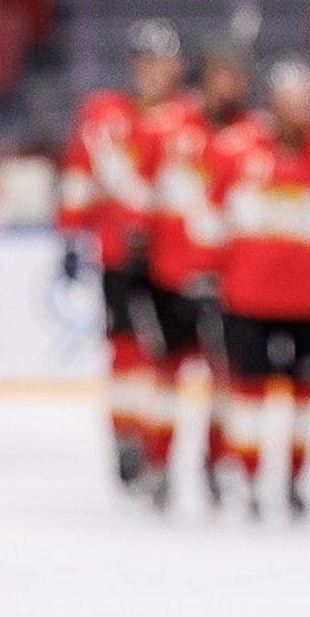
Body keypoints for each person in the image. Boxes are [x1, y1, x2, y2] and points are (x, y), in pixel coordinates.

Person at [202, 60, 310, 520]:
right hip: (248, 298)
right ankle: (250, 476)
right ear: (273, 103)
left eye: (307, 101)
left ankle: (295, 478)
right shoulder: (233, 151)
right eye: (291, 102)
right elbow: (209, 219)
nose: (300, 111)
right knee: (249, 392)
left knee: (304, 396)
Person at [59, 21, 183, 487]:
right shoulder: (102, 114)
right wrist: (71, 235)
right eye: (144, 61)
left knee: (168, 357)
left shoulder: (187, 118)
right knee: (126, 351)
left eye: (160, 61)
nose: (152, 71)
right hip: (117, 253)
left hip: (172, 256)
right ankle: (127, 435)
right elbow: (77, 176)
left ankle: (159, 445)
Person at [132, 46, 251, 508]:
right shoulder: (164, 127)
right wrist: (135, 253)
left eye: (236, 76)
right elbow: (137, 193)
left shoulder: (256, 135)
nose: (229, 86)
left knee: (225, 378)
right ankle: (159, 461)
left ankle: (217, 462)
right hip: (170, 273)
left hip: (228, 281)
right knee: (167, 375)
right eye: (221, 74)